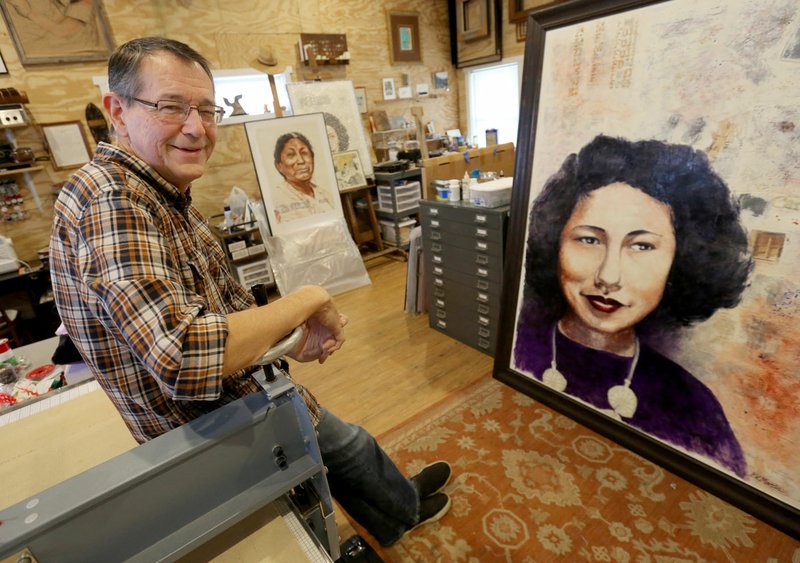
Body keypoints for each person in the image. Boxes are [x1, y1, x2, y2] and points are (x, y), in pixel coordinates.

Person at [49, 36, 450, 548]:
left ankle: (399, 509)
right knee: (331, 472)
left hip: (241, 395)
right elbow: (184, 352)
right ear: (118, 111)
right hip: (222, 429)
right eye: (170, 107)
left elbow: (218, 306)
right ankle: (400, 513)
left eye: (206, 109)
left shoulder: (159, 190)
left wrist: (285, 340)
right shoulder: (114, 202)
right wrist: (306, 299)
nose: (196, 128)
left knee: (348, 445)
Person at [514, 134, 752, 478]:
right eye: (589, 239)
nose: (608, 276)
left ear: (680, 261)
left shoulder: (692, 409)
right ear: (555, 243)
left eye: (641, 246)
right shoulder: (517, 348)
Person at [271, 131, 336, 224]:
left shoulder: (326, 195)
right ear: (279, 166)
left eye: (304, 153)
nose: (301, 161)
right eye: (291, 155)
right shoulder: (276, 200)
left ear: (312, 158)